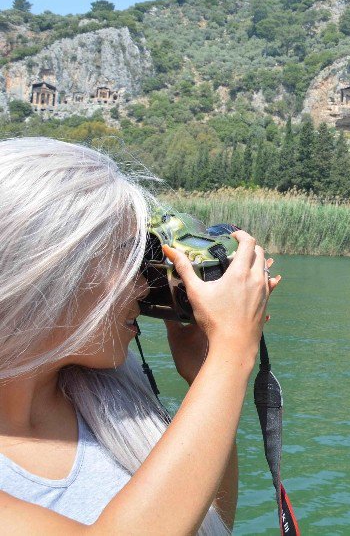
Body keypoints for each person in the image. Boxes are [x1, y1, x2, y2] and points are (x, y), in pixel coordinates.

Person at [0, 137, 279, 534]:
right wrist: (233, 353)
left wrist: (206, 375)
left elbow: (210, 525)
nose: (144, 287)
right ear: (50, 266)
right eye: (126, 257)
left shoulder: (106, 399)